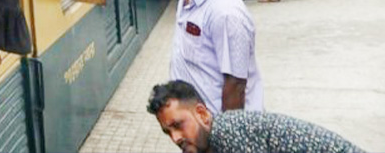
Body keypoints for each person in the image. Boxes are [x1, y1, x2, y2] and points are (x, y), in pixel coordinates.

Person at [148, 80, 364, 153]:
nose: (175, 138)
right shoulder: (212, 138)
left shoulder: (229, 134)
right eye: (168, 131)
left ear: (202, 114)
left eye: (178, 125)